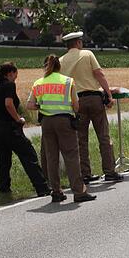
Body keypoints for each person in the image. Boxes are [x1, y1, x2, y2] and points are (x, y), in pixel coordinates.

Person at [25, 55, 96, 204]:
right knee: (71, 155)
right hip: (64, 121)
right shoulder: (68, 81)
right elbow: (76, 106)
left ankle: (56, 192)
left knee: (52, 157)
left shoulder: (38, 83)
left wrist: (42, 106)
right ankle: (78, 191)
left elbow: (29, 105)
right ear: (59, 67)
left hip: (46, 122)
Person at [59, 31, 122, 183]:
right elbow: (99, 74)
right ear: (78, 43)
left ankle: (85, 173)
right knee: (103, 136)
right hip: (94, 99)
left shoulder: (61, 61)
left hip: (76, 101)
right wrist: (108, 94)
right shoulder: (87, 54)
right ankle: (109, 170)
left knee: (81, 139)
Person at [0, 62, 51, 197]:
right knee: (29, 155)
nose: (16, 77)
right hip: (9, 127)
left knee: (3, 160)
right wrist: (18, 119)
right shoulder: (9, 85)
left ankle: (3, 190)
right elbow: (9, 104)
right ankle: (42, 187)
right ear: (10, 73)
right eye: (16, 74)